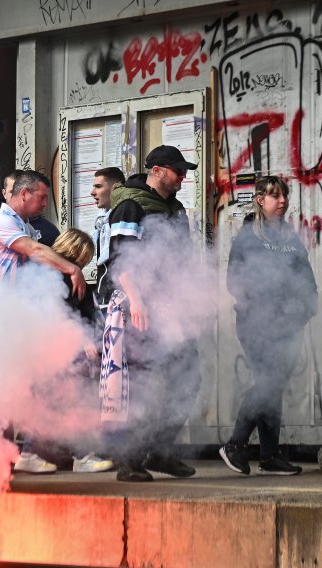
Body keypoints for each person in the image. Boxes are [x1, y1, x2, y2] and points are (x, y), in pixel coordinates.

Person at [98, 145, 200, 482]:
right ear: (157, 170)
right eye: (177, 170)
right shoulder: (131, 205)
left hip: (171, 307)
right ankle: (128, 461)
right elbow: (121, 259)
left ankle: (160, 450)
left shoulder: (176, 209)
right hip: (140, 308)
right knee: (139, 385)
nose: (183, 176)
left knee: (187, 375)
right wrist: (137, 300)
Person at [0, 170, 86, 474]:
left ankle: (20, 453)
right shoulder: (1, 221)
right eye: (41, 197)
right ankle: (4, 455)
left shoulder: (23, 224)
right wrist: (72, 269)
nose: (44, 204)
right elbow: (35, 251)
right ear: (24, 194)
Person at [219, 176, 317, 476]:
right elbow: (234, 281)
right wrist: (263, 309)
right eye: (275, 196)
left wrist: (306, 307)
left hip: (288, 326)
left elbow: (306, 279)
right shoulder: (250, 236)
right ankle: (235, 444)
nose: (283, 201)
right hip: (257, 325)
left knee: (273, 388)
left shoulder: (289, 237)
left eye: (284, 195)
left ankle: (270, 455)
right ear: (260, 199)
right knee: (268, 384)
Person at [49, 229, 115, 474]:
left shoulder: (77, 281)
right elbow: (60, 314)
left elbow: (89, 314)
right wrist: (84, 340)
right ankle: (79, 454)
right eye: (86, 255)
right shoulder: (54, 278)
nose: (88, 260)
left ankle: (68, 451)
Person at [91, 167, 125, 305]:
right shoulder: (102, 220)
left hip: (116, 295)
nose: (92, 192)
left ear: (115, 188)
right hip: (104, 292)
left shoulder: (122, 216)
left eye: (98, 187)